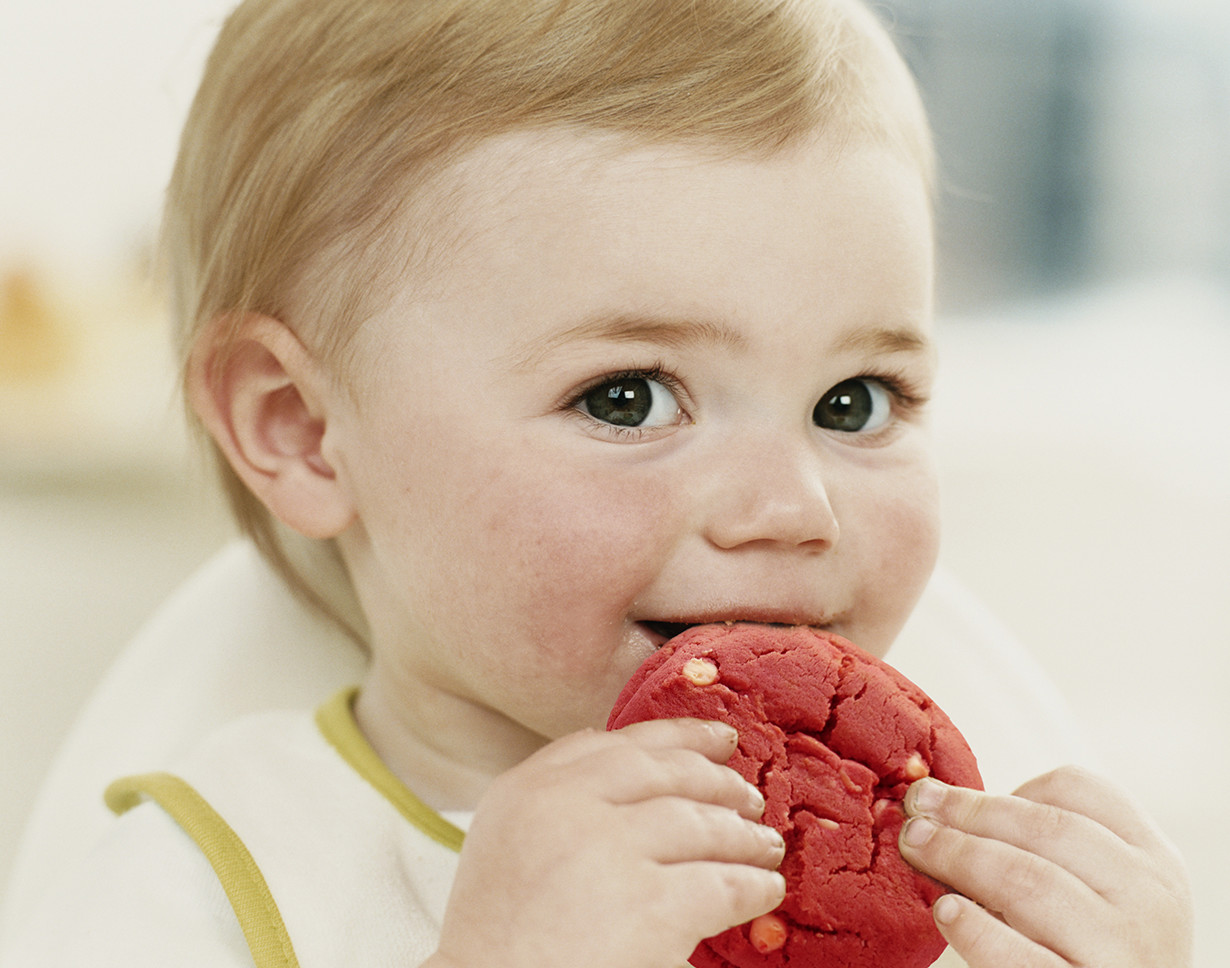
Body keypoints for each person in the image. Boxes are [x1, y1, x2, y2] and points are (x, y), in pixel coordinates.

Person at [4, 0, 1193, 966]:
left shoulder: (953, 859)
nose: (791, 507)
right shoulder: (205, 878)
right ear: (305, 430)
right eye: (626, 396)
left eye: (855, 402)